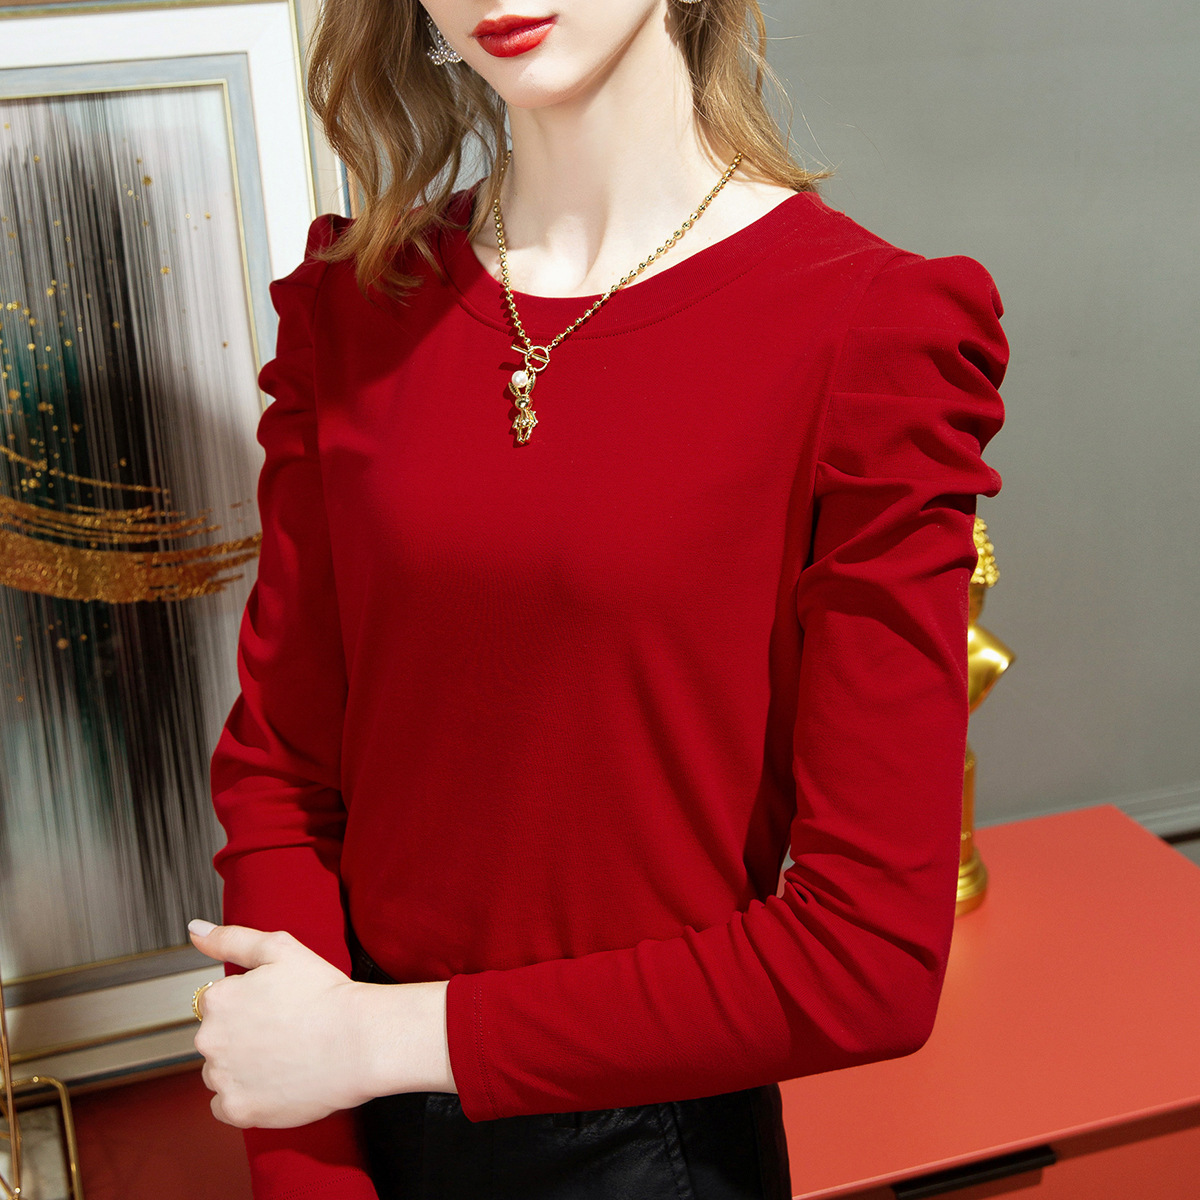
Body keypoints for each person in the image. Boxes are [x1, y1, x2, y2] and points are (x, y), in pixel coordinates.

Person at [185, 1, 1008, 1197]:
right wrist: (310, 1169)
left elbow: (865, 958)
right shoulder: (357, 304)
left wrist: (372, 1042)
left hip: (647, 1153)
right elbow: (281, 776)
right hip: (352, 1121)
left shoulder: (866, 331)